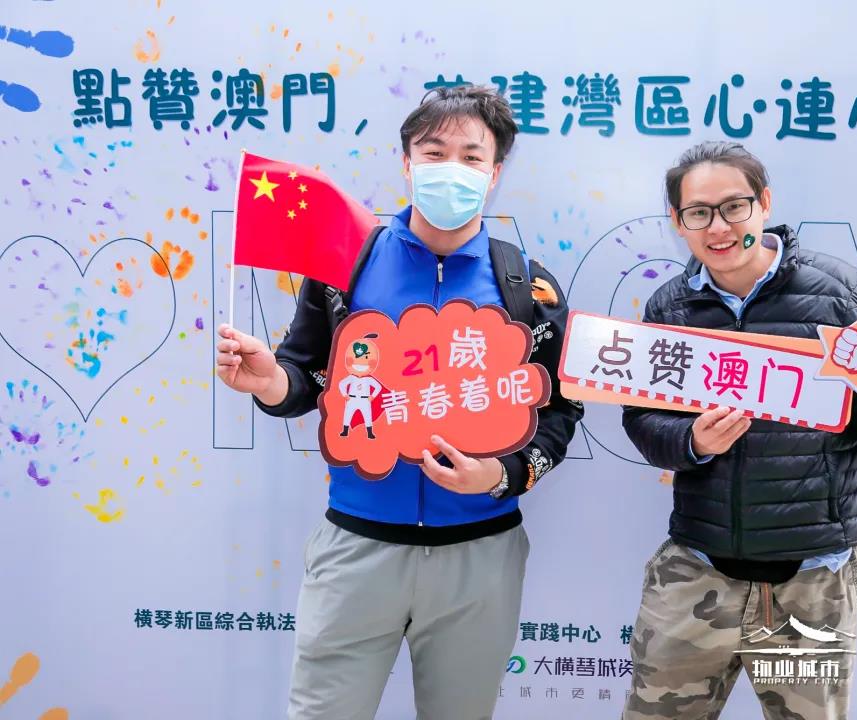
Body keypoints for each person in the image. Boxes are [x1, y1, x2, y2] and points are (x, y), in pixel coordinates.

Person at [216, 85, 583, 720]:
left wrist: (501, 475)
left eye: (471, 156)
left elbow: (559, 412)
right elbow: (305, 377)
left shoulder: (529, 286)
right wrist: (270, 381)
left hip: (480, 554)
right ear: (407, 163)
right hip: (357, 547)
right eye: (434, 152)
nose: (452, 169)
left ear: (495, 173)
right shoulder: (345, 264)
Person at [621, 141, 857, 720]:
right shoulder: (671, 307)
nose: (719, 227)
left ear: (764, 203)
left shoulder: (837, 291)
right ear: (678, 222)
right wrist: (693, 442)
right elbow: (642, 419)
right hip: (697, 571)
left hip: (814, 580)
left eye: (734, 206)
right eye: (699, 213)